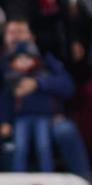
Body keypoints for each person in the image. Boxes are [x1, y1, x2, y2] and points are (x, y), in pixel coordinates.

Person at [0, 41, 67, 172]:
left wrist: (58, 113)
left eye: (27, 58)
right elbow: (6, 103)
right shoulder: (11, 80)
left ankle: (47, 175)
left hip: (43, 118)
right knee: (20, 147)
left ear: (35, 60)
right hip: (21, 119)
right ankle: (18, 176)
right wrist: (5, 121)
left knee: (44, 146)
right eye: (20, 58)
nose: (24, 62)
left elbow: (55, 99)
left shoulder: (44, 76)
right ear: (13, 62)